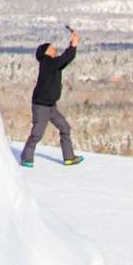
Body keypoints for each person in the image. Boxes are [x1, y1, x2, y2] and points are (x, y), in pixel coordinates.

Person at [21, 28, 83, 167]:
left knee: (65, 128)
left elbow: (65, 60)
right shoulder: (47, 62)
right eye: (51, 47)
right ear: (46, 52)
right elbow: (64, 59)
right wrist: (73, 45)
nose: (54, 48)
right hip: (41, 106)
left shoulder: (53, 64)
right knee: (37, 134)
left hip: (51, 106)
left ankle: (69, 157)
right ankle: (26, 158)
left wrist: (72, 46)